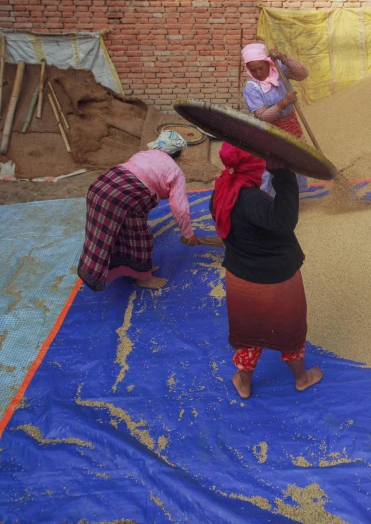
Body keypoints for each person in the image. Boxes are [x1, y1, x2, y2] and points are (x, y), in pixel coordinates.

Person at [210, 142, 322, 399]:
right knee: (288, 331)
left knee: (249, 334)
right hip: (277, 281)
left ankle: (245, 385)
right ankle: (302, 379)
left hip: (241, 280)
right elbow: (284, 221)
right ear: (253, 165)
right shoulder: (252, 199)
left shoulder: (222, 190)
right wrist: (284, 175)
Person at [78, 131, 201, 292]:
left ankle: (133, 271)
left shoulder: (144, 154)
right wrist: (188, 234)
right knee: (139, 238)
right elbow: (180, 207)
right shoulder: (175, 171)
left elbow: (139, 179)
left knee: (116, 233)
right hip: (121, 197)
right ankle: (143, 279)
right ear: (179, 154)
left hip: (101, 185)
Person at [241, 42, 310, 197]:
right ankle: (269, 199)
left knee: (294, 162)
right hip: (270, 133)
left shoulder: (279, 70)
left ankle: (290, 198)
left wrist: (284, 58)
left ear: (267, 63)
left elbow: (303, 73)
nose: (258, 73)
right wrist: (283, 103)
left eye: (261, 68)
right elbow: (262, 116)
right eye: (253, 70)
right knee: (273, 166)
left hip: (291, 127)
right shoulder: (252, 88)